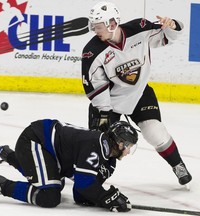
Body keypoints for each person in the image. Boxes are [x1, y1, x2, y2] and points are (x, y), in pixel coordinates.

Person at [81, 1, 192, 186]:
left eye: (98, 26)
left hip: (139, 93)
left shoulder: (139, 29)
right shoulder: (92, 51)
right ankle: (86, 177)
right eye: (93, 26)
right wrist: (105, 114)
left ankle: (178, 165)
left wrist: (172, 24)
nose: (95, 30)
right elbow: (95, 86)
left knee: (154, 132)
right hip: (110, 101)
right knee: (101, 144)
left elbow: (167, 37)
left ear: (112, 24)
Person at [0, 119, 138, 212]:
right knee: (49, 197)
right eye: (129, 146)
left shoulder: (109, 162)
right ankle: (2, 185)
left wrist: (105, 198)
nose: (129, 151)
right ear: (120, 143)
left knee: (56, 184)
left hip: (50, 154)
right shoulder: (95, 146)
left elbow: (80, 194)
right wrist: (105, 198)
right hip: (35, 141)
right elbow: (83, 184)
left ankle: (11, 157)